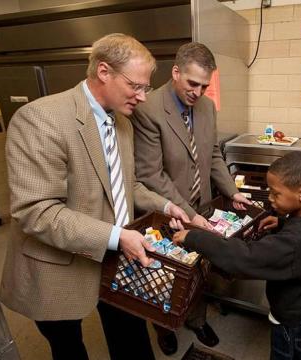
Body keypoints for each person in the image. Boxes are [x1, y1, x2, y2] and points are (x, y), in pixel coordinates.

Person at [0, 33, 190, 360]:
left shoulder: (123, 123)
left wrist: (167, 204)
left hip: (115, 257)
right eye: (137, 86)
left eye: (146, 87)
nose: (143, 97)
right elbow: (37, 212)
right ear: (104, 72)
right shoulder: (42, 119)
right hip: (57, 265)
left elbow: (126, 185)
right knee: (69, 348)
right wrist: (117, 236)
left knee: (131, 339)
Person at [130, 42, 252, 354]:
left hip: (204, 205)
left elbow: (212, 155)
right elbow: (150, 174)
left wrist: (231, 191)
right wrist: (186, 212)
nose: (198, 92)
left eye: (204, 86)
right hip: (167, 209)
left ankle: (196, 319)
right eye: (192, 83)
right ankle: (164, 325)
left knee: (200, 269)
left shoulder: (207, 107)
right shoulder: (148, 109)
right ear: (175, 73)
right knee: (165, 273)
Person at [172, 151, 301, 360]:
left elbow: (246, 257)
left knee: (285, 355)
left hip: (292, 318)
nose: (270, 198)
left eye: (276, 194)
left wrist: (194, 238)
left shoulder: (294, 242)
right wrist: (283, 222)